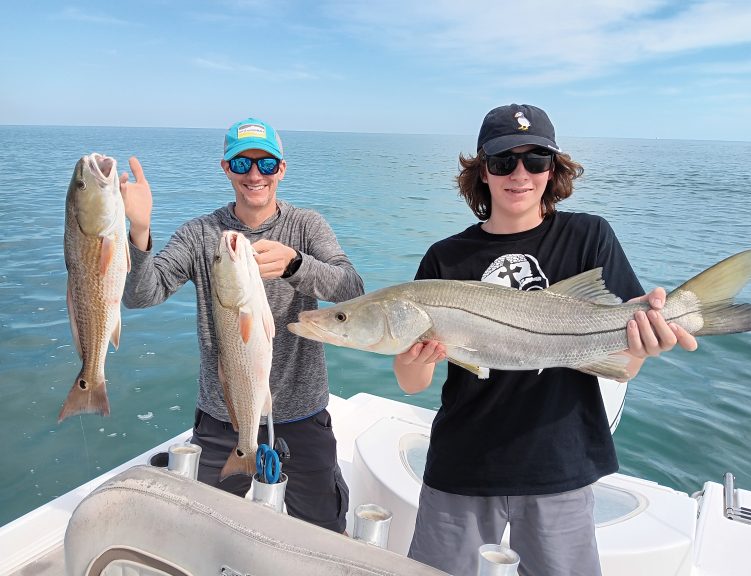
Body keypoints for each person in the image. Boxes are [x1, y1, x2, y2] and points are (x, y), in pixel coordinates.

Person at [393, 104, 698, 576]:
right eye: (502, 161)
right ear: (482, 172)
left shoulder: (588, 235)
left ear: (552, 169)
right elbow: (412, 383)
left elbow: (624, 364)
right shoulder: (445, 258)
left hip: (560, 464)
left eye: (535, 160)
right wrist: (418, 355)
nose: (520, 174)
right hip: (462, 466)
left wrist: (641, 346)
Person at [120, 117, 364, 533]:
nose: (255, 175)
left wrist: (296, 265)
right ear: (225, 168)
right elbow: (142, 294)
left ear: (281, 169)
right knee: (206, 526)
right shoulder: (201, 234)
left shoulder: (306, 226)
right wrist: (139, 229)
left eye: (267, 164)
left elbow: (351, 288)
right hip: (223, 418)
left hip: (303, 415)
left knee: (323, 527)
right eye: (242, 164)